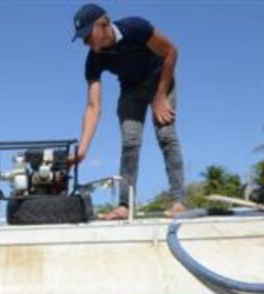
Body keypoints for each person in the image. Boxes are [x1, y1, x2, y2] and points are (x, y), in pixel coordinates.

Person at [69, 3, 186, 220]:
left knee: (166, 135)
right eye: (81, 38)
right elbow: (93, 106)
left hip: (160, 78)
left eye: (87, 35)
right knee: (130, 141)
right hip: (131, 88)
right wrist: (83, 149)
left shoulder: (136, 28)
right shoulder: (94, 60)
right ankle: (125, 205)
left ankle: (179, 200)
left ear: (103, 24)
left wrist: (160, 96)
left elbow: (171, 51)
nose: (85, 42)